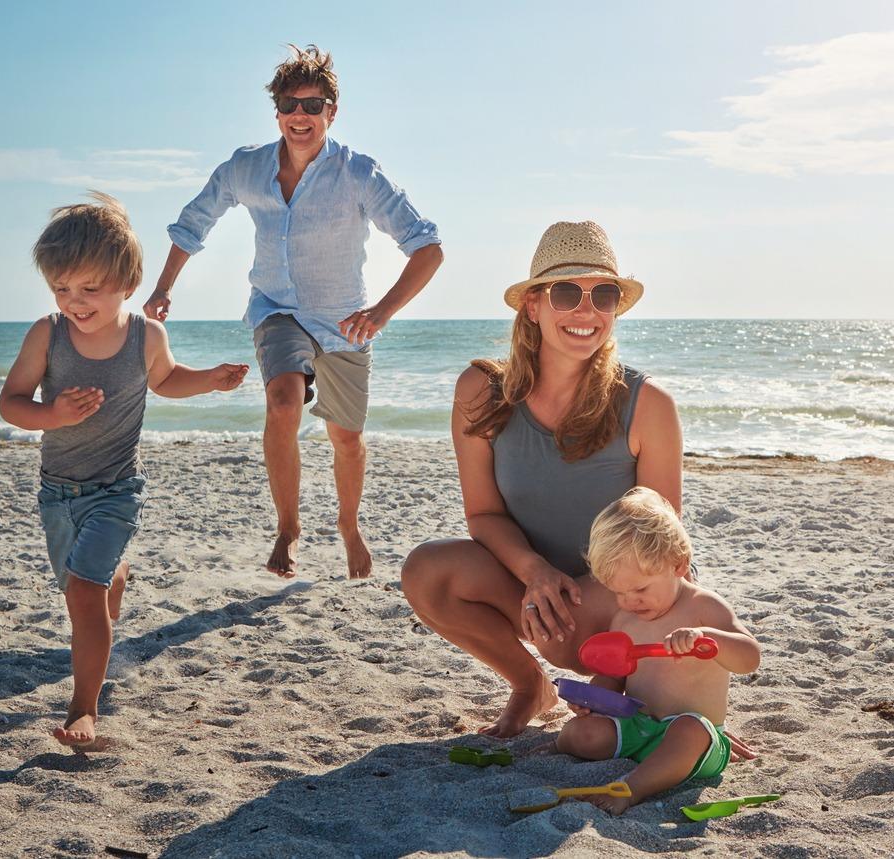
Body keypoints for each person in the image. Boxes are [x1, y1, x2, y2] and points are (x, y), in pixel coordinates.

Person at [401, 221, 756, 759]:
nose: (586, 311)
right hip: (530, 584)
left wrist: (596, 597)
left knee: (611, 650)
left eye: (603, 295)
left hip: (621, 596)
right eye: (567, 293)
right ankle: (529, 686)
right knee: (427, 570)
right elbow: (483, 515)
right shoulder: (480, 391)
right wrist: (535, 572)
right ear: (534, 306)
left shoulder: (649, 403)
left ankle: (670, 715)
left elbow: (657, 538)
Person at [143, 45, 443, 580]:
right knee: (283, 400)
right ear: (276, 110)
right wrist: (163, 289)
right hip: (276, 309)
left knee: (346, 439)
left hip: (345, 320)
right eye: (289, 103)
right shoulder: (246, 168)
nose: (299, 115)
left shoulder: (359, 174)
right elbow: (193, 224)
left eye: (313, 103)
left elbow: (427, 248)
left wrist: (381, 312)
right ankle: (288, 528)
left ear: (332, 111)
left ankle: (349, 525)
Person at [0, 193, 248, 748]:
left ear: (126, 285)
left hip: (118, 490)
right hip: (57, 494)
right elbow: (11, 402)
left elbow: (165, 380)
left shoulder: (145, 336)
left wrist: (208, 378)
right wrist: (51, 415)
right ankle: (115, 574)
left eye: (89, 289)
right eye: (63, 289)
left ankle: (83, 709)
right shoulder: (48, 334)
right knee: (87, 583)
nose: (75, 302)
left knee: (82, 596)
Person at [554, 487, 761, 814]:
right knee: (580, 734)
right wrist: (592, 701)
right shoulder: (625, 618)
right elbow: (614, 675)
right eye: (618, 592)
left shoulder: (704, 608)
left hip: (696, 737)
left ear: (678, 565)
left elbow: (750, 657)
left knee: (688, 731)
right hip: (639, 728)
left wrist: (706, 637)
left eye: (640, 589)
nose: (629, 601)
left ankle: (632, 788)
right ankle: (564, 745)